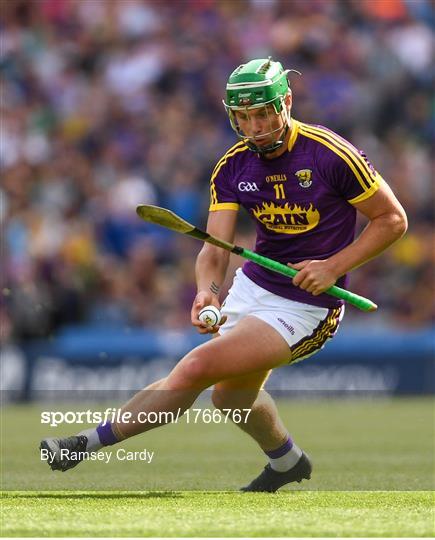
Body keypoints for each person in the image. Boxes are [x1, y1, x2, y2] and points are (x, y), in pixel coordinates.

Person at [40, 58, 407, 492]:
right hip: (255, 285)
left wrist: (333, 267)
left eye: (264, 113)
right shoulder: (233, 167)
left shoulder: (330, 154)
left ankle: (82, 443)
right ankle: (288, 462)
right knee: (229, 397)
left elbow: (392, 219)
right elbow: (214, 249)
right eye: (245, 117)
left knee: (197, 367)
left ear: (285, 102)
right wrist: (206, 293)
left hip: (310, 304)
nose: (255, 126)